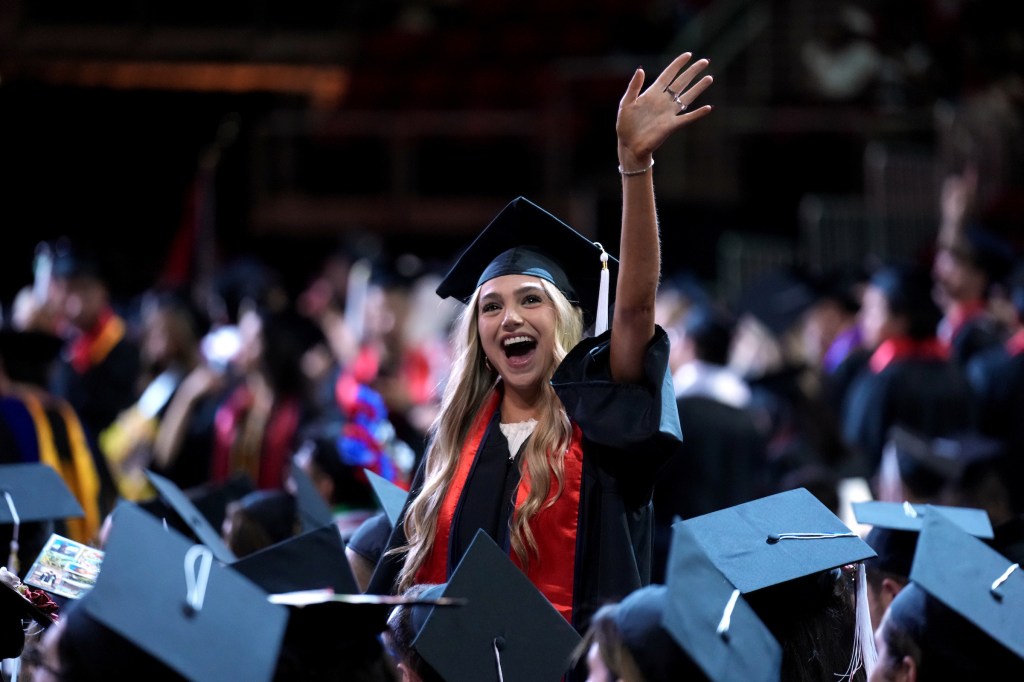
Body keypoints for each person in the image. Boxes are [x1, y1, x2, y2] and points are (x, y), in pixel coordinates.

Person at [368, 51, 712, 631]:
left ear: (562, 317)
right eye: (491, 307)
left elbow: (633, 310)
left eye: (531, 300)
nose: (509, 319)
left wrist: (634, 166)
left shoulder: (601, 425)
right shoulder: (453, 438)